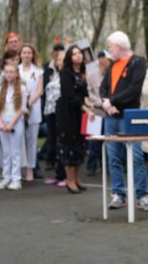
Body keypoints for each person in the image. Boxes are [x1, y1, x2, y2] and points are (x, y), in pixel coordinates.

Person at [99, 31, 148, 212]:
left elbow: (134, 89)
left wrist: (113, 101)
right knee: (113, 157)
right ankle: (118, 194)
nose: (109, 49)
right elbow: (103, 87)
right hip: (111, 116)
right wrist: (106, 103)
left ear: (119, 46)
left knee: (136, 156)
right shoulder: (112, 64)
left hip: (130, 116)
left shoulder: (138, 62)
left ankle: (142, 195)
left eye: (111, 46)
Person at [56, 45, 93, 194]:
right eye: (74, 54)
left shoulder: (82, 72)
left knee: (80, 146)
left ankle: (77, 179)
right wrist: (85, 108)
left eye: (79, 53)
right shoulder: (66, 74)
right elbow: (70, 97)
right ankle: (69, 180)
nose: (78, 56)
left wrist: (87, 102)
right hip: (68, 114)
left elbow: (83, 93)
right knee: (69, 147)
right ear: (69, 58)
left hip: (80, 114)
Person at [0, 64, 27, 191]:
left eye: (11, 72)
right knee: (6, 152)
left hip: (15, 123)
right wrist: (1, 123)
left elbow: (21, 109)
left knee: (15, 152)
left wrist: (11, 124)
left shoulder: (22, 89)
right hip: (3, 124)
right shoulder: (1, 88)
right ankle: (6, 177)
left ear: (16, 74)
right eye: (6, 72)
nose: (9, 74)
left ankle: (16, 179)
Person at [18, 44, 44, 181]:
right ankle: (17, 169)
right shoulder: (15, 70)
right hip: (18, 110)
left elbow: (39, 90)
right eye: (24, 52)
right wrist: (22, 103)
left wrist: (28, 102)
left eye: (29, 52)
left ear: (32, 55)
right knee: (18, 140)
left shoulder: (38, 71)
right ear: (20, 55)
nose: (26, 55)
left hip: (33, 108)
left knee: (32, 141)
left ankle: (30, 169)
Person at [42, 51, 67, 186]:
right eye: (58, 60)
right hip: (50, 112)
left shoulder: (68, 76)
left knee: (62, 143)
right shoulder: (55, 75)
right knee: (53, 143)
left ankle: (65, 176)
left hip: (62, 114)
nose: (59, 62)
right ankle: (58, 174)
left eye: (62, 60)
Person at [86, 50, 111, 176]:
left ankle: (105, 166)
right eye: (106, 59)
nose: (107, 62)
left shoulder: (111, 74)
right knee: (93, 141)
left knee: (107, 140)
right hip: (95, 112)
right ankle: (91, 165)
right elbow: (88, 93)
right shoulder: (91, 75)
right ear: (100, 59)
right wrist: (100, 102)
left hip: (109, 113)